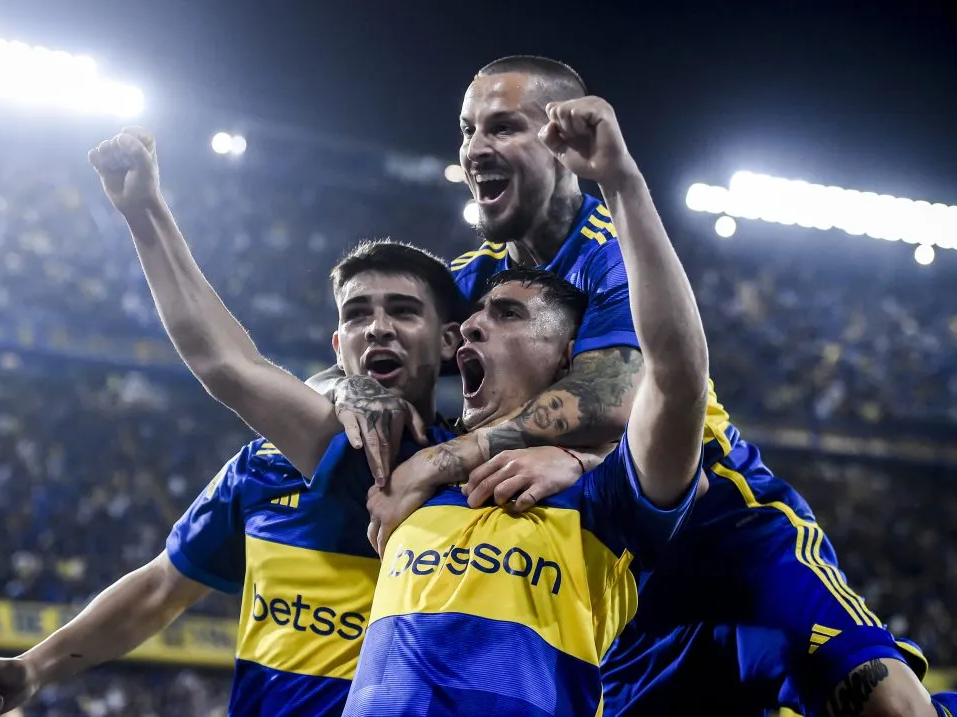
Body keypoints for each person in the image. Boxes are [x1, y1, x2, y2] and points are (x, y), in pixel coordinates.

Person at [342, 56, 953, 717]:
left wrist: (454, 454)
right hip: (616, 562)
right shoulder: (470, 278)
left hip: (725, 524)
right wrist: (357, 389)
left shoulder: (614, 247)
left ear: (557, 139)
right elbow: (373, 347)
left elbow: (616, 390)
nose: (474, 149)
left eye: (501, 127)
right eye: (467, 130)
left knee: (891, 707)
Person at [0, 130, 589, 717]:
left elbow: (227, 365)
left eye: (403, 310)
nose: (379, 327)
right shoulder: (263, 468)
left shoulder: (469, 471)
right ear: (337, 343)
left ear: (451, 341)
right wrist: (33, 667)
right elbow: (160, 589)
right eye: (359, 313)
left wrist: (580, 459)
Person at [342, 75, 711, 712]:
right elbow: (246, 372)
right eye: (467, 131)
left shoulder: (600, 487)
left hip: (731, 509)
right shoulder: (407, 444)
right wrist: (349, 383)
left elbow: (670, 378)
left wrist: (622, 183)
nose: (471, 325)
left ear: (570, 355)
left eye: (509, 316)